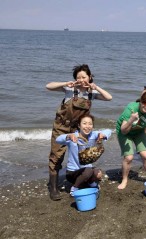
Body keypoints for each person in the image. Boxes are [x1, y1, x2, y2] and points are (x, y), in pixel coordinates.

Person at [46, 64, 112, 201]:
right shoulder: (69, 88)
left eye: (84, 77)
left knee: (80, 156)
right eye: (78, 77)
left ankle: (79, 180)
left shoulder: (91, 93)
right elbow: (48, 86)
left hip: (78, 129)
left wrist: (96, 87)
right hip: (61, 127)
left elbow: (109, 97)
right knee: (56, 156)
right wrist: (66, 83)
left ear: (89, 77)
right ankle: (53, 187)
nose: (81, 80)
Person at [116, 91, 146, 190]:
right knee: (129, 157)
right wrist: (131, 120)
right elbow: (123, 131)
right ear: (140, 101)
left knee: (145, 155)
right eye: (145, 102)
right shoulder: (131, 108)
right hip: (125, 131)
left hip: (139, 131)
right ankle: (124, 179)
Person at [55, 114, 112, 196]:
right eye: (84, 123)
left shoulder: (93, 135)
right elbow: (58, 139)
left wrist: (103, 135)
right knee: (88, 170)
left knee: (98, 173)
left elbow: (109, 131)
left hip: (86, 171)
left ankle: (91, 184)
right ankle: (75, 188)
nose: (87, 126)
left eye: (90, 124)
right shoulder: (73, 137)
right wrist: (68, 136)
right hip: (72, 172)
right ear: (79, 125)